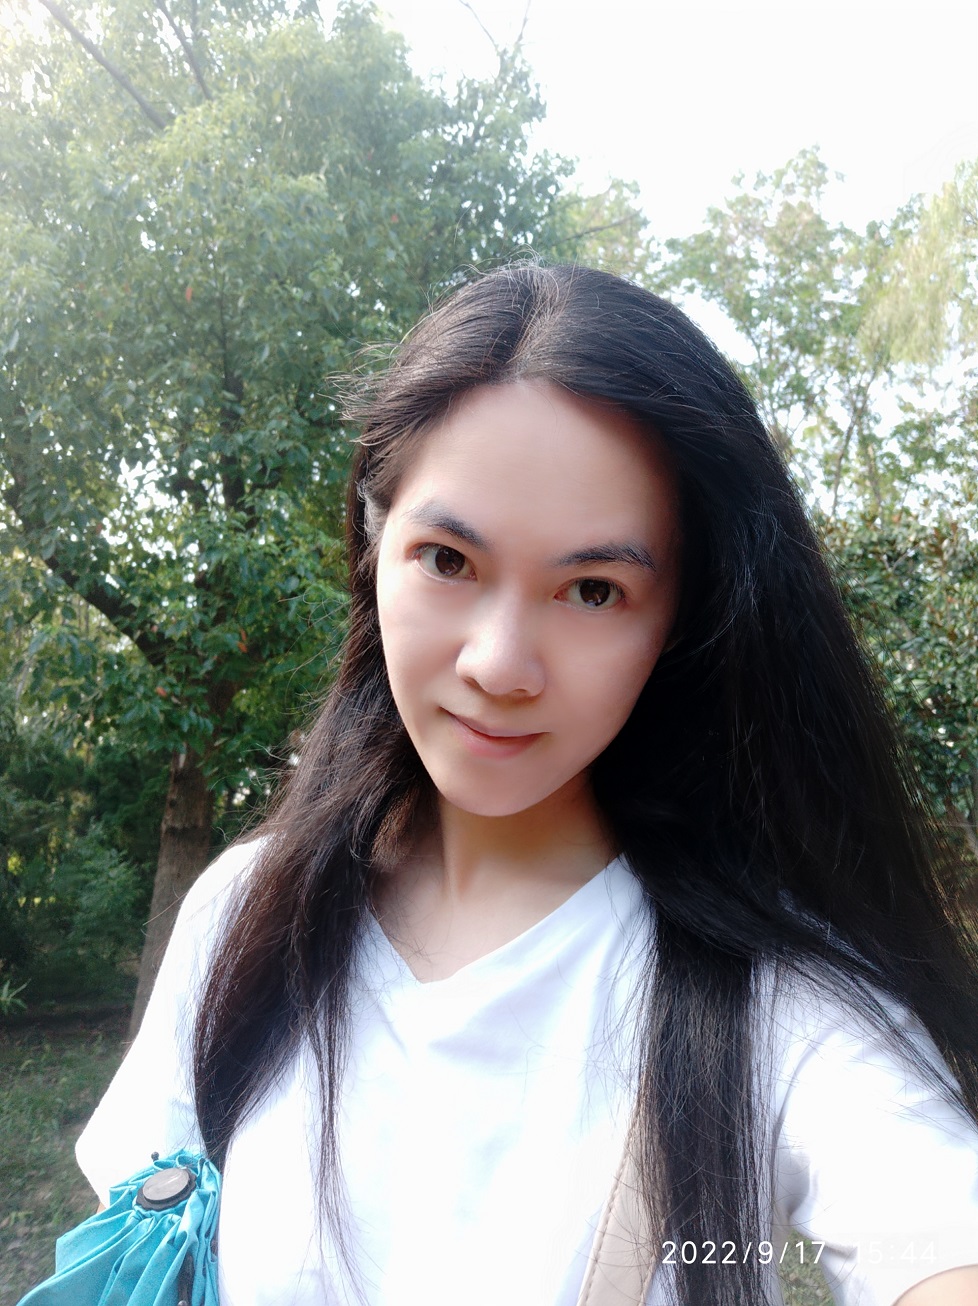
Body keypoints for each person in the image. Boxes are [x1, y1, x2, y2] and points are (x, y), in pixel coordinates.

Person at [76, 263, 978, 1306]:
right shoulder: (243, 916)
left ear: (680, 619)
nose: (500, 665)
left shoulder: (774, 999)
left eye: (593, 590)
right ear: (373, 546)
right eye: (447, 560)